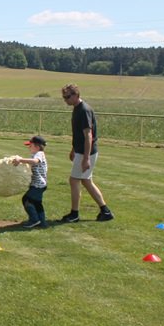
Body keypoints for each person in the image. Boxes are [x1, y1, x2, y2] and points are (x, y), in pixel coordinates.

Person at [60, 83, 114, 222]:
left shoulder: (83, 110)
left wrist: (85, 158)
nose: (65, 99)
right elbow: (77, 133)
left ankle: (74, 214)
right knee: (86, 181)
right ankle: (105, 211)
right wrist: (73, 149)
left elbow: (88, 135)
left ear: (76, 95)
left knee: (74, 180)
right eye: (64, 97)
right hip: (81, 151)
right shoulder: (76, 108)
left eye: (67, 97)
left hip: (86, 152)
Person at [13, 135, 48, 228]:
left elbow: (35, 161)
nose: (28, 147)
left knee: (26, 199)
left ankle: (34, 220)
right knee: (37, 203)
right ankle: (42, 222)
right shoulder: (37, 154)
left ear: (37, 146)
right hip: (40, 185)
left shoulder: (39, 154)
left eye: (30, 146)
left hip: (38, 185)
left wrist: (20, 160)